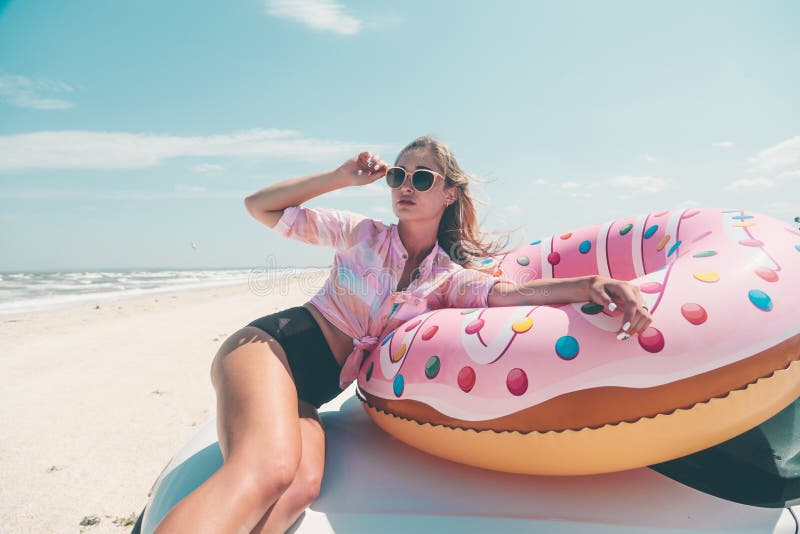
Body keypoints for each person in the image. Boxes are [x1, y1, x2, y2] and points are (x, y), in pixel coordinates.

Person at [153, 135, 652, 533]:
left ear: (449, 193)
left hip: (314, 393)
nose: (404, 185)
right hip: (273, 349)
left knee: (299, 488)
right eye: (397, 175)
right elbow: (259, 206)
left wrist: (592, 284)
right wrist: (339, 177)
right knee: (270, 469)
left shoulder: (447, 278)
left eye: (420, 177)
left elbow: (511, 296)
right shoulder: (361, 233)